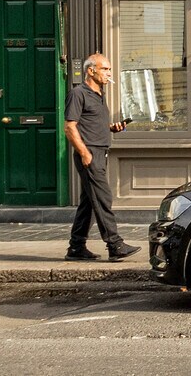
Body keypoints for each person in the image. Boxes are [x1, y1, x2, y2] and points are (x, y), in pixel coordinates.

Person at [64, 52, 136, 261]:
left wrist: (111, 128)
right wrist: (84, 153)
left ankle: (76, 247)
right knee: (103, 198)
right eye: (105, 69)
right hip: (90, 153)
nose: (109, 73)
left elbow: (91, 122)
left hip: (100, 151)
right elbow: (69, 127)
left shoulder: (99, 94)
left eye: (109, 69)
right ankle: (115, 244)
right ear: (90, 70)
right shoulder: (78, 93)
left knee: (89, 202)